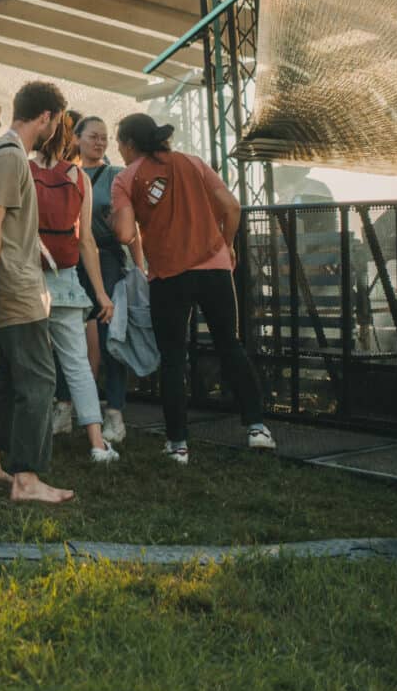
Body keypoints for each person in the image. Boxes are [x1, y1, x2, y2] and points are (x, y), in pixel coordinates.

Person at [109, 113, 277, 464]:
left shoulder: (125, 178)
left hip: (168, 275)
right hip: (214, 268)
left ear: (128, 144)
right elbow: (231, 207)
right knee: (229, 345)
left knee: (172, 357)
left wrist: (115, 218)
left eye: (119, 144)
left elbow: (125, 234)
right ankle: (258, 428)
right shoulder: (193, 162)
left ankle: (178, 445)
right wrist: (226, 244)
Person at [0, 81, 78, 505]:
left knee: (11, 377)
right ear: (46, 118)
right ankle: (27, 479)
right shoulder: (12, 158)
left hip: (5, 282)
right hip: (12, 286)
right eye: (57, 121)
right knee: (38, 380)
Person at [28, 112, 118, 464]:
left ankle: (27, 441)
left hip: (28, 280)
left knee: (27, 364)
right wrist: (100, 292)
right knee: (78, 364)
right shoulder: (80, 177)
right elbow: (86, 242)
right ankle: (97, 443)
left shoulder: (24, 170)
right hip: (66, 281)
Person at [73, 116, 144, 443]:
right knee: (71, 337)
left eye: (104, 137)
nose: (99, 142)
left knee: (110, 336)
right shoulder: (68, 175)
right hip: (72, 263)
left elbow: (133, 229)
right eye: (93, 137)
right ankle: (68, 406)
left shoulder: (116, 176)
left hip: (107, 261)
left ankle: (115, 411)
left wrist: (139, 269)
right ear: (77, 140)